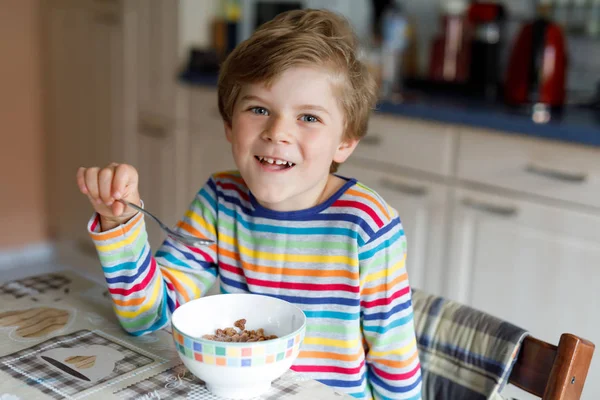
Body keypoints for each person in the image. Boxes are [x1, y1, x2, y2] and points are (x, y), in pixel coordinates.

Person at [76, 9, 422, 400]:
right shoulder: (221, 200)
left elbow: (394, 360)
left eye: (308, 117)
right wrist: (119, 224)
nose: (277, 132)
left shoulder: (368, 225)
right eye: (259, 110)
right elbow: (148, 317)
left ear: (344, 142)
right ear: (229, 123)